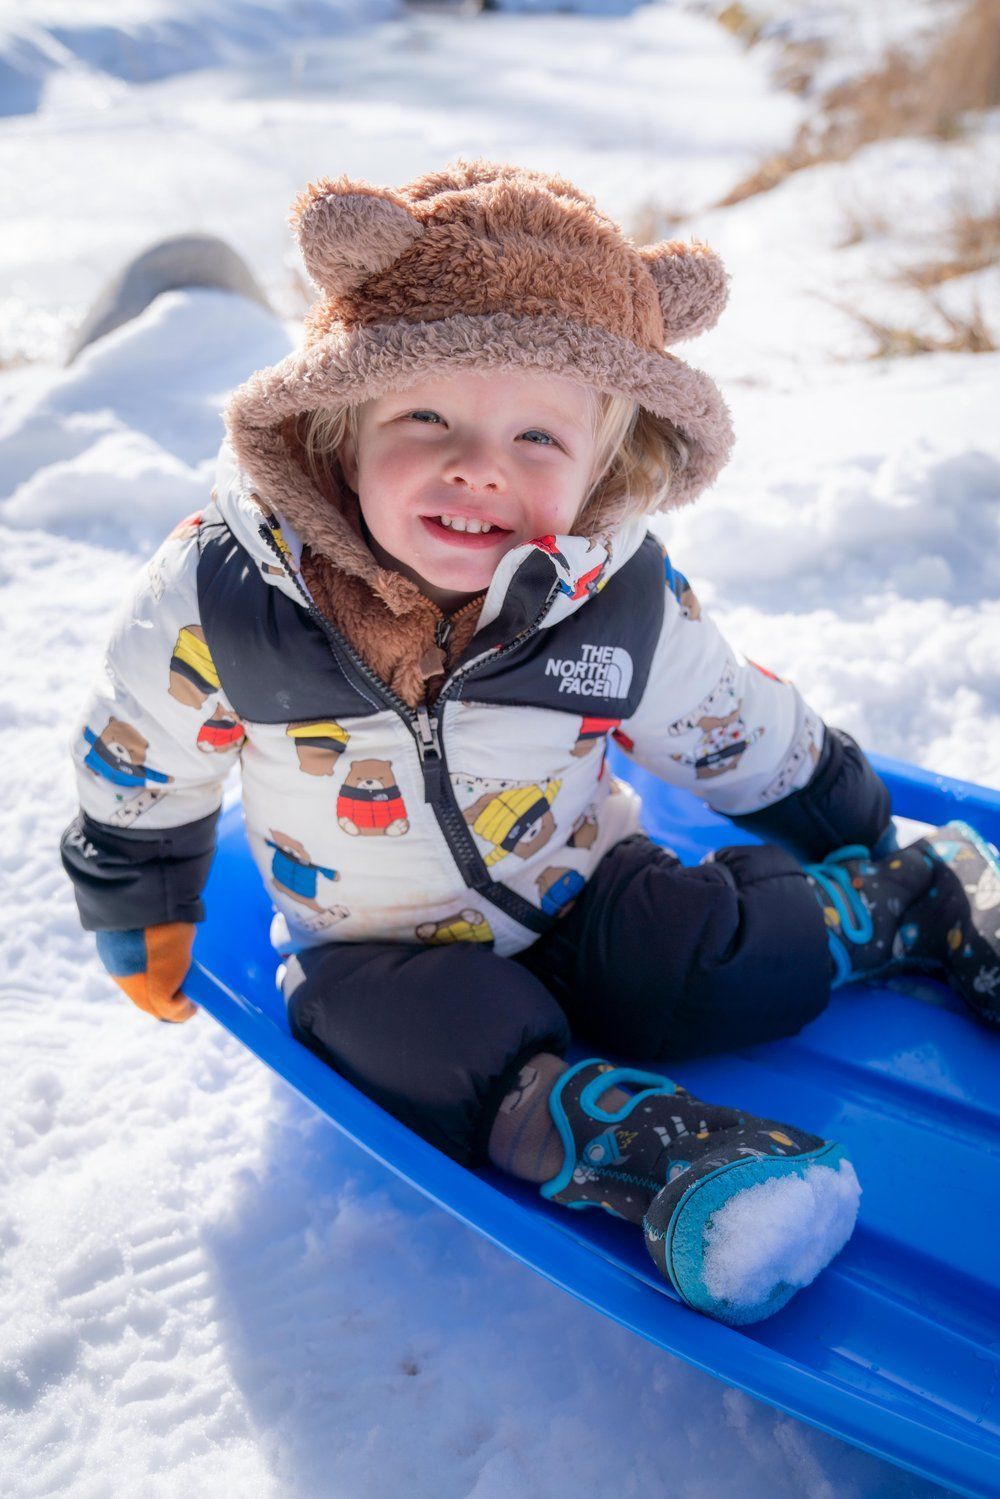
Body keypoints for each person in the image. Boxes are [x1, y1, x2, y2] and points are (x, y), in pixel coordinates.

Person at [60, 159, 1000, 1327]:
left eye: (537, 437)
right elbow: (138, 748)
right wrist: (134, 898)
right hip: (373, 941)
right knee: (403, 1042)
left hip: (577, 885)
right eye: (424, 416)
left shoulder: (610, 597)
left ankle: (909, 898)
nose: (478, 465)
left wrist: (835, 802)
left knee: (703, 965)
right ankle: (646, 1147)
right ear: (339, 423)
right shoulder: (232, 598)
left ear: (607, 463)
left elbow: (724, 720)